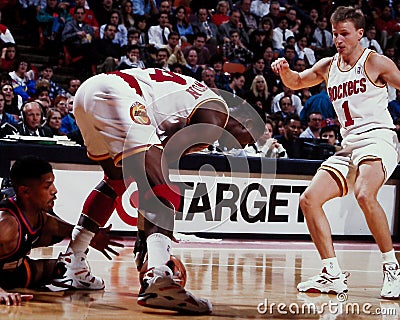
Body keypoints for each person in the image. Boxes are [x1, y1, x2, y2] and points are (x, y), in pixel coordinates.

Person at [53, 68, 263, 314]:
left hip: (88, 93)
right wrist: (148, 233)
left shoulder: (199, 100)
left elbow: (146, 173)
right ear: (247, 123)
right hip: (121, 94)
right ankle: (159, 277)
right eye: (245, 141)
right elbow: (159, 175)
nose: (238, 147)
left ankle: (73, 261)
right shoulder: (217, 116)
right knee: (163, 184)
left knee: (115, 180)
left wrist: (147, 228)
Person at [271, 6, 400, 298]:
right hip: (348, 145)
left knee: (365, 194)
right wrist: (284, 71)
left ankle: (392, 268)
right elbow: (297, 82)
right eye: (334, 34)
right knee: (309, 199)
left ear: (360, 34)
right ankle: (332, 273)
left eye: (344, 34)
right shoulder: (328, 66)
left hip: (379, 138)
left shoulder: (377, 62)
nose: (338, 40)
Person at [0, 156, 122, 305]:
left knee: (63, 268)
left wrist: (93, 237)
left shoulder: (40, 218)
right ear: (25, 192)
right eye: (47, 186)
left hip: (15, 272)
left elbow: (71, 230)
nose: (54, 191)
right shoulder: (6, 225)